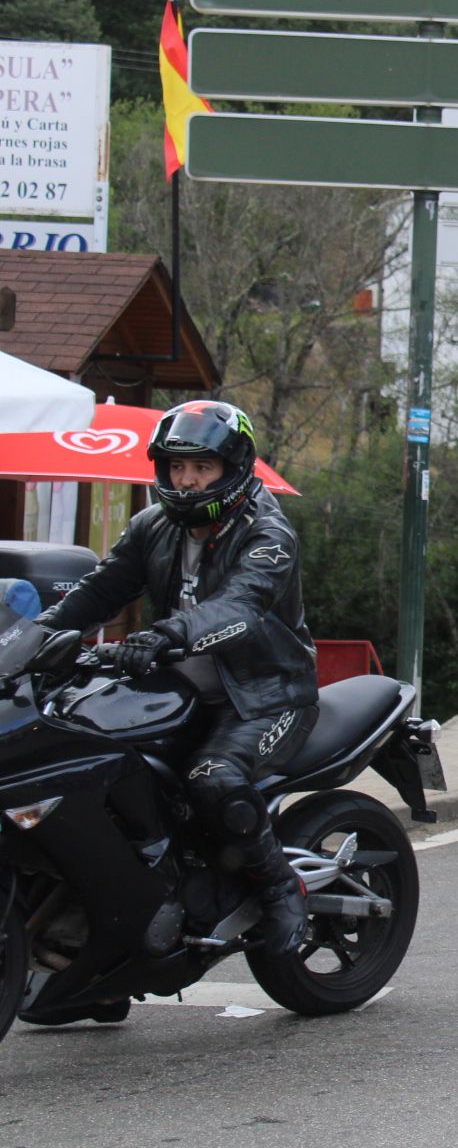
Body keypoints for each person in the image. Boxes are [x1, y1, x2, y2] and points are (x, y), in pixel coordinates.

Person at [37, 401, 317, 955]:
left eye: (202, 467)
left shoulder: (268, 536)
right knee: (92, 766)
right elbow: (97, 591)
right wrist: (36, 635)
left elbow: (241, 605)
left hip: (263, 696)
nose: (186, 480)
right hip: (176, 694)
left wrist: (163, 636)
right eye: (176, 467)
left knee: (214, 779)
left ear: (232, 466)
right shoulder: (152, 527)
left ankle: (281, 890)